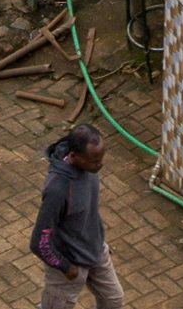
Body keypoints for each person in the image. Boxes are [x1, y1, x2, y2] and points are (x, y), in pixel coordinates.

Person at [35, 125, 125, 309]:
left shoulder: (89, 169)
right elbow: (39, 242)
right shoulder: (57, 189)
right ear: (74, 156)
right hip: (69, 262)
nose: (100, 164)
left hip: (96, 251)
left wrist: (98, 240)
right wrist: (65, 267)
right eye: (94, 161)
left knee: (113, 301)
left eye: (101, 158)